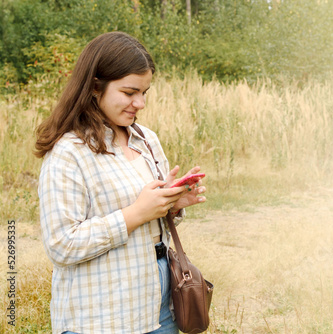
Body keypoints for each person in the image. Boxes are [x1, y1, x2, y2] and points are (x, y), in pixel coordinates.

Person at [35, 31, 206, 334]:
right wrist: (135, 213)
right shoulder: (68, 153)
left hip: (158, 310)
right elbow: (61, 245)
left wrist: (171, 203)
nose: (139, 103)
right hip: (101, 318)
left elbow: (152, 220)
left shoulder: (146, 139)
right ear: (94, 87)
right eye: (129, 92)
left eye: (145, 92)